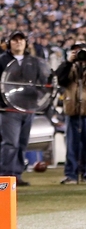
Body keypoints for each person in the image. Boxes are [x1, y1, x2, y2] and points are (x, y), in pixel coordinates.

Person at [0, 30, 50, 186]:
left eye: (21, 39)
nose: (18, 42)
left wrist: (39, 97)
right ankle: (6, 175)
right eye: (14, 40)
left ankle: (17, 174)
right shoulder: (2, 60)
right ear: (9, 43)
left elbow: (43, 82)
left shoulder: (33, 61)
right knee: (10, 143)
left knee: (22, 143)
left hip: (28, 108)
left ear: (26, 43)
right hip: (9, 109)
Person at [56, 40, 86, 184]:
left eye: (81, 51)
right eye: (75, 51)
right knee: (71, 146)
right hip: (73, 110)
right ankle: (71, 174)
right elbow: (59, 80)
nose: (78, 54)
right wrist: (68, 63)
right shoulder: (69, 67)